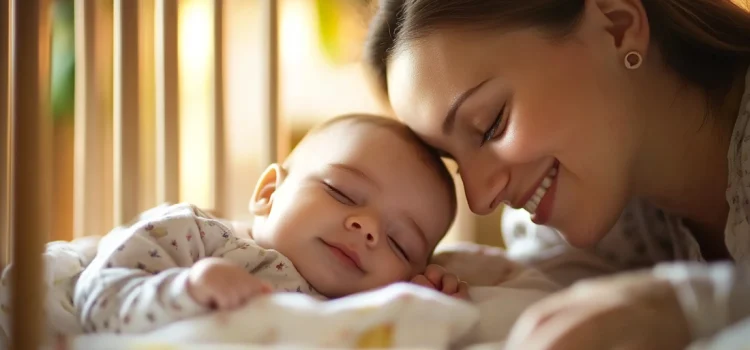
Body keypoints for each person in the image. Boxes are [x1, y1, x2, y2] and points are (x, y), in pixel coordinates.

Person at [364, 0, 750, 348]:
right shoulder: (578, 233)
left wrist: (690, 308)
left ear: (617, 27)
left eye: (491, 125)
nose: (481, 200)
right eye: (453, 160)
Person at [72, 114, 467, 334]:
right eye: (341, 192)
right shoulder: (196, 235)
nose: (369, 229)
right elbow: (98, 298)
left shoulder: (353, 304)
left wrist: (424, 302)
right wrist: (187, 288)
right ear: (268, 192)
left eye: (400, 244)